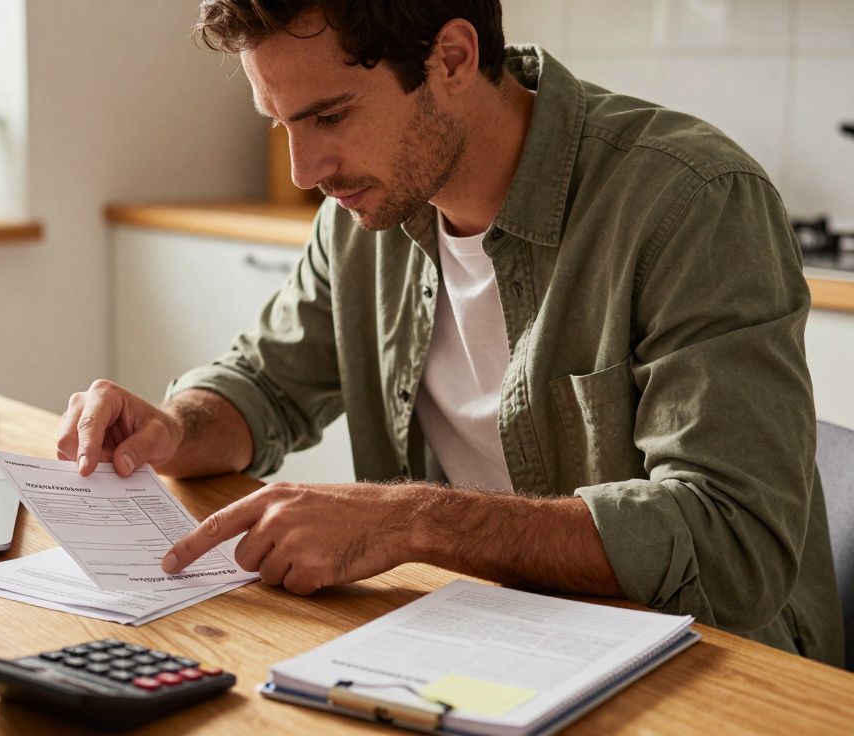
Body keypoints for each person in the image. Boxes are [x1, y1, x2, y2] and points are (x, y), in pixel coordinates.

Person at [58, 0, 842, 665]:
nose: (304, 170)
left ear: (454, 58)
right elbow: (265, 384)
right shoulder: (364, 215)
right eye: (282, 125)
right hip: (470, 645)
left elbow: (731, 543)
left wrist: (409, 520)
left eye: (330, 115)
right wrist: (172, 428)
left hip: (707, 665)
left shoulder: (691, 203)